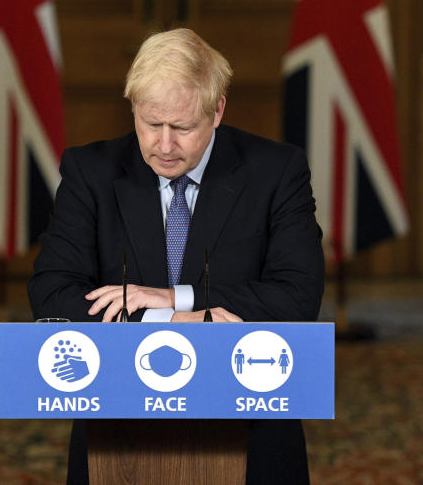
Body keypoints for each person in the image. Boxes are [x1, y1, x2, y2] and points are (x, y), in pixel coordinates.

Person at [28, 28, 325, 485]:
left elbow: (298, 296)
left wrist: (174, 298)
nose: (164, 146)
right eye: (151, 124)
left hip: (250, 425)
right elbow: (51, 296)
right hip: (118, 432)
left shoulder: (276, 172)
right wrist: (169, 321)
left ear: (217, 110)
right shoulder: (90, 172)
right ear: (133, 107)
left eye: (182, 128)